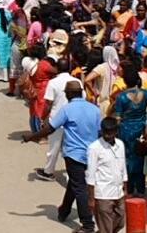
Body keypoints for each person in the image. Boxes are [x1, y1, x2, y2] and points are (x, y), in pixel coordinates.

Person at [22, 81, 101, 233]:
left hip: (74, 155)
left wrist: (31, 136)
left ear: (69, 94)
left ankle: (87, 225)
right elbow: (100, 132)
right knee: (75, 182)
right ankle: (64, 211)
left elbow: (50, 129)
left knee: (80, 189)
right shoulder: (94, 109)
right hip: (92, 154)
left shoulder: (67, 110)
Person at [36, 57, 82, 182]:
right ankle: (70, 177)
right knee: (71, 149)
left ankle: (48, 172)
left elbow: (48, 103)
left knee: (53, 148)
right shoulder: (77, 81)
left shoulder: (53, 82)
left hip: (56, 119)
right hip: (74, 119)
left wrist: (43, 117)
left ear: (57, 68)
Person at [86, 117, 127, 233]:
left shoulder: (120, 145)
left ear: (116, 132)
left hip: (118, 192)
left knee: (120, 221)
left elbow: (123, 167)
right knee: (106, 226)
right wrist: (91, 199)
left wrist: (125, 188)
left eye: (111, 133)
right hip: (103, 194)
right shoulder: (94, 148)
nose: (108, 136)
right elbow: (90, 175)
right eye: (106, 133)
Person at [112, 65, 147, 196]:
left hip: (126, 130)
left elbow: (118, 118)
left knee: (126, 158)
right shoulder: (145, 94)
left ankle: (129, 188)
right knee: (140, 157)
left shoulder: (122, 97)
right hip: (141, 129)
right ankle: (140, 188)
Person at [84, 46, 120, 117]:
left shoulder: (102, 67)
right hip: (115, 103)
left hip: (103, 103)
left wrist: (94, 91)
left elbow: (87, 79)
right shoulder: (118, 67)